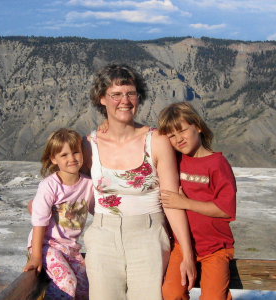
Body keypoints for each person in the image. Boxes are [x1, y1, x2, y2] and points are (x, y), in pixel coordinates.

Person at [82, 64, 196, 300]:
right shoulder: (87, 145)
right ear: (102, 99)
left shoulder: (157, 140)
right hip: (102, 237)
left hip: (149, 236)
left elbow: (172, 200)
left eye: (131, 93)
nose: (125, 100)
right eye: (116, 94)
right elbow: (69, 186)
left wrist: (187, 253)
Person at [158, 102, 237, 300]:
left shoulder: (218, 164)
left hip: (215, 248)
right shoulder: (174, 162)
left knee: (213, 297)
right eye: (171, 136)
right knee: (171, 293)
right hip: (180, 245)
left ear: (198, 126)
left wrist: (185, 203)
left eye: (182, 131)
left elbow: (226, 209)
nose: (178, 139)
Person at [23, 128, 94, 300]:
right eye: (64, 155)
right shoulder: (50, 185)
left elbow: (98, 210)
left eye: (76, 152)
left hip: (70, 247)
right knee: (67, 283)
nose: (72, 158)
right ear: (53, 159)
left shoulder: (88, 184)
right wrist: (36, 256)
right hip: (48, 245)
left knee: (85, 289)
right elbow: (39, 221)